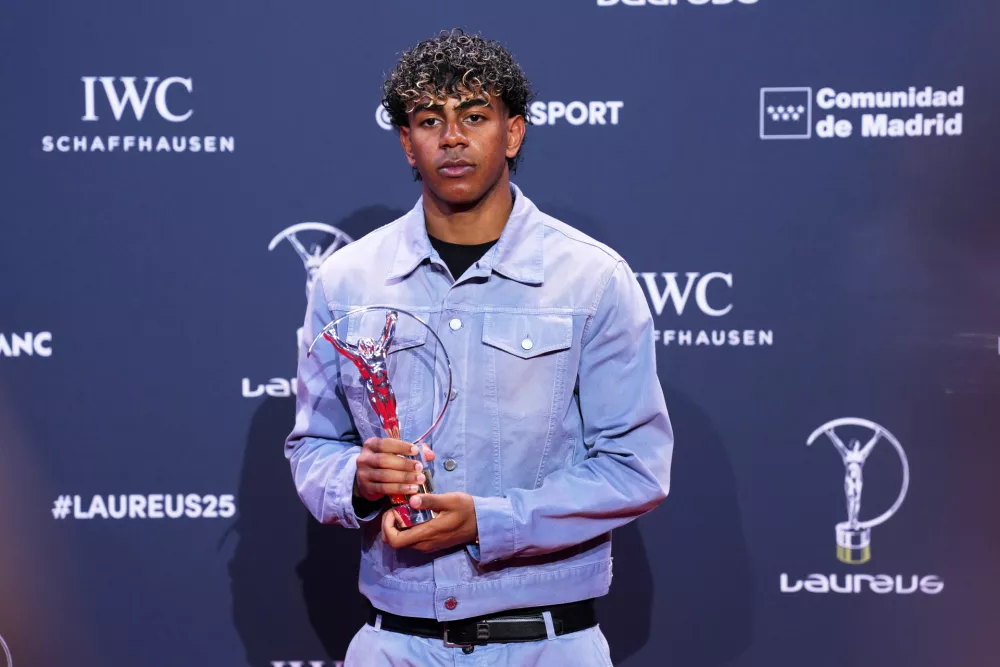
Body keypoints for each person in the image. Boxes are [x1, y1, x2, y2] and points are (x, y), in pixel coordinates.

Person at [286, 28, 674, 666]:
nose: (452, 137)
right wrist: (356, 481)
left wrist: (490, 523)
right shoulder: (346, 280)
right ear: (408, 143)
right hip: (394, 643)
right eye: (428, 119)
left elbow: (634, 466)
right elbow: (313, 446)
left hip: (549, 647)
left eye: (474, 116)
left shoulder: (592, 279)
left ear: (513, 132)